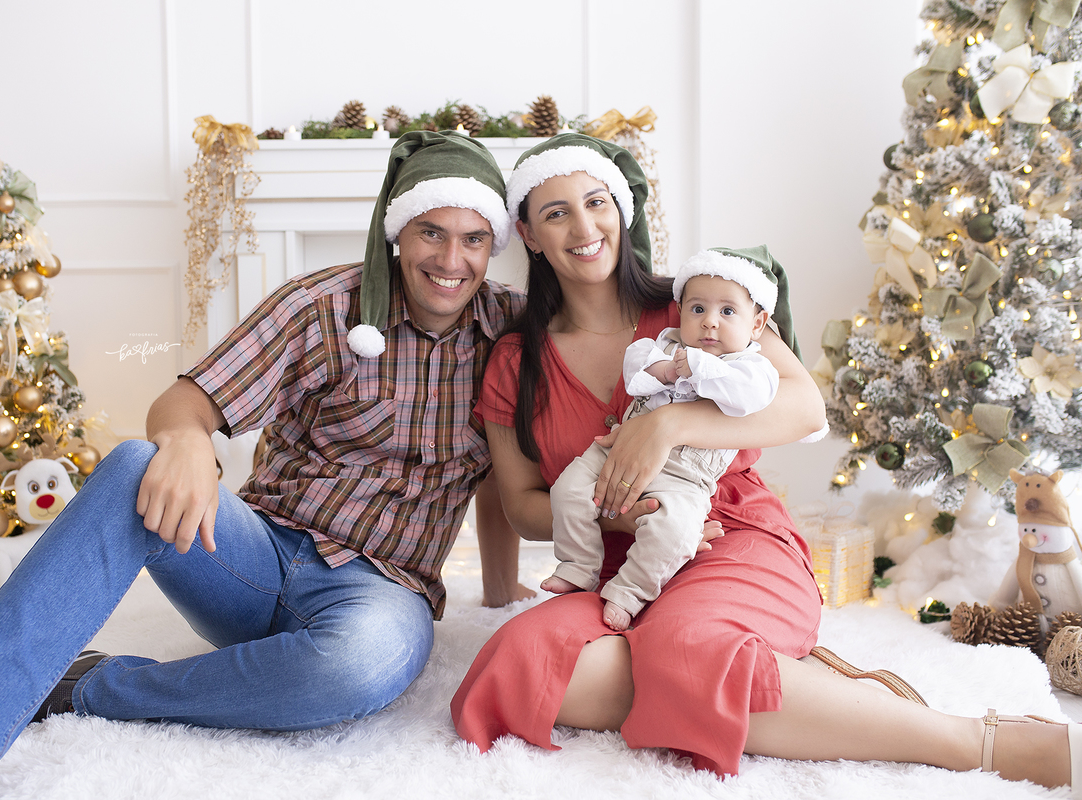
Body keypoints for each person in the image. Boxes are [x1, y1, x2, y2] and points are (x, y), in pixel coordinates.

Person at [0, 130, 534, 800]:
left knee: (364, 666)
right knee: (139, 463)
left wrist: (502, 588)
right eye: (431, 232)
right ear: (399, 233)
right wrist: (190, 442)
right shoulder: (321, 305)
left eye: (474, 238)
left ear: (496, 245)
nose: (451, 258)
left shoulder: (513, 331)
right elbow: (181, 405)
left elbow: (515, 454)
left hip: (382, 591)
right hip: (252, 559)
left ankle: (96, 685)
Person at [451, 131, 1082, 793]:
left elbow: (806, 406)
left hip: (731, 537)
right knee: (515, 664)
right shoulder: (516, 363)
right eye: (557, 213)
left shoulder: (699, 301)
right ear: (528, 232)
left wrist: (669, 424)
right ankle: (783, 682)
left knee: (680, 648)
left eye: (596, 202)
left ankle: (979, 742)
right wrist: (619, 516)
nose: (584, 227)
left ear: (621, 209)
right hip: (612, 566)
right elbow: (521, 504)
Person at [543, 247, 783, 631]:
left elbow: (748, 397)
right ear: (681, 312)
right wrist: (668, 369)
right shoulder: (666, 344)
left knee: (676, 532)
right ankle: (578, 565)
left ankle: (630, 592)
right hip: (617, 453)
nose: (710, 324)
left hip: (685, 477)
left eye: (727, 312)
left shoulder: (752, 367)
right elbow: (636, 367)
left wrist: (701, 368)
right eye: (698, 309)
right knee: (568, 489)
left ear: (756, 325)